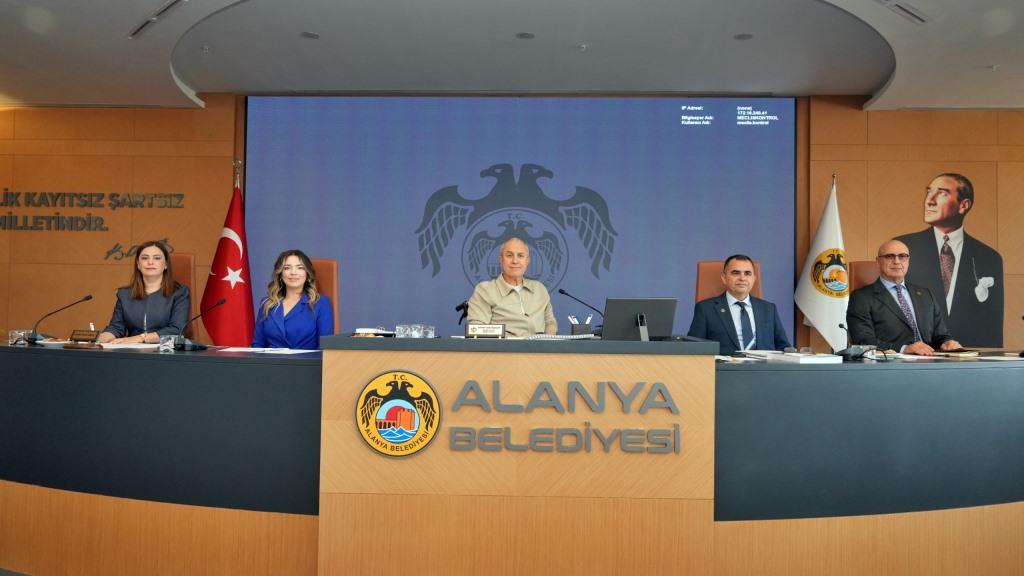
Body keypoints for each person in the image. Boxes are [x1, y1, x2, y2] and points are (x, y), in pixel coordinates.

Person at [895, 173, 1003, 347]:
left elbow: (992, 322)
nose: (929, 201)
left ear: (963, 205)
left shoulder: (989, 257)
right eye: (929, 192)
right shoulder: (902, 249)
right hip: (916, 352)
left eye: (942, 193)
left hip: (968, 355)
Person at [846, 239, 963, 355]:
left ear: (908, 260)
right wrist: (903, 349)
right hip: (891, 363)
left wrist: (947, 342)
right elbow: (864, 341)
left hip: (931, 360)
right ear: (878, 261)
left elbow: (941, 335)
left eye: (902, 256)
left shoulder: (925, 294)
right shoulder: (861, 298)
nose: (897, 261)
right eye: (889, 256)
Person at [687, 254, 790, 355]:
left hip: (764, 365)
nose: (742, 278)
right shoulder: (706, 309)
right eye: (736, 273)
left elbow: (784, 347)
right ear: (724, 278)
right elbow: (694, 349)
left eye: (747, 273)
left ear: (754, 278)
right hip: (724, 366)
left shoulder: (769, 309)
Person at [98, 240, 190, 344]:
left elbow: (177, 330)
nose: (150, 262)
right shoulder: (125, 294)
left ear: (165, 265)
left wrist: (140, 338)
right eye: (145, 258)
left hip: (165, 350)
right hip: (131, 350)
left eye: (157, 258)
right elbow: (116, 327)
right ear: (138, 264)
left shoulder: (179, 293)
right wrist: (100, 338)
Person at [466, 237, 557, 337]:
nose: (515, 261)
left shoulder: (539, 289)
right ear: (501, 260)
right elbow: (476, 328)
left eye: (520, 256)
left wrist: (547, 342)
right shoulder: (485, 290)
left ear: (527, 260)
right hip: (504, 346)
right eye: (509, 255)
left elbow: (550, 323)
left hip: (538, 346)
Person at [252, 249, 333, 349]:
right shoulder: (267, 304)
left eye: (300, 268)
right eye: (287, 268)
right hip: (270, 359)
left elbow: (325, 347)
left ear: (307, 274)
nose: (293, 272)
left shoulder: (321, 303)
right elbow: (257, 344)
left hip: (307, 359)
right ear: (280, 274)